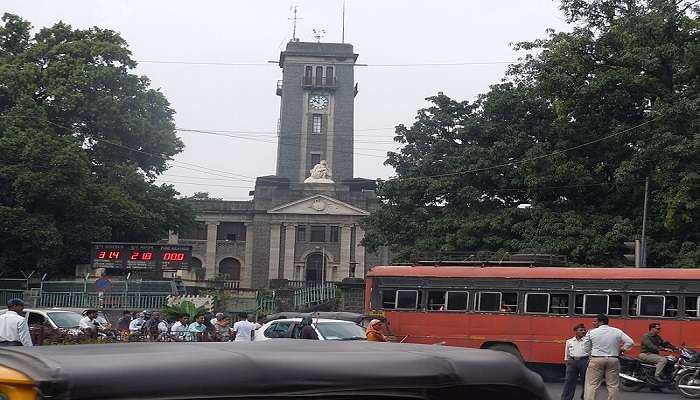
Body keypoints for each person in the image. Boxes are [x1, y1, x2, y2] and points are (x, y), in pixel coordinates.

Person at [583, 314, 634, 400]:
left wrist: (591, 353)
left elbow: (586, 347)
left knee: (592, 384)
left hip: (597, 359)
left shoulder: (591, 332)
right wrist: (622, 349)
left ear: (601, 322)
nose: (593, 323)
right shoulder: (617, 331)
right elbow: (630, 342)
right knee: (613, 385)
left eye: (596, 321)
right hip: (613, 359)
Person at [561, 323, 589, 400]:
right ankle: (566, 398)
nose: (583, 331)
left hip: (584, 361)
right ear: (575, 331)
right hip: (572, 362)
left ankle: (585, 397)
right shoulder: (569, 341)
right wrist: (567, 361)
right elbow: (567, 353)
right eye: (581, 330)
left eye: (584, 330)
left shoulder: (587, 341)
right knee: (569, 381)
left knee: (585, 381)